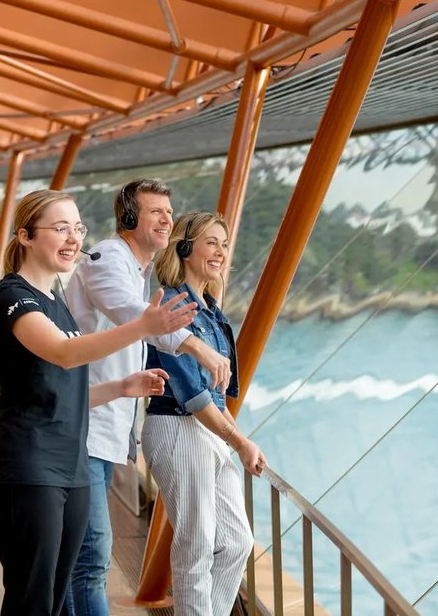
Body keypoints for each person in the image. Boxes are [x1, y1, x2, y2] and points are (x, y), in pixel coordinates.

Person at [0, 189, 196, 616]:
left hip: (73, 468)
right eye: (60, 228)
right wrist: (142, 326)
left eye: (78, 228)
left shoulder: (57, 301)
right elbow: (63, 354)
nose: (73, 238)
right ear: (25, 236)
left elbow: (62, 389)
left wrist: (120, 387)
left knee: (60, 599)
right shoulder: (13, 297)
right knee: (33, 600)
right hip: (29, 468)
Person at [65, 179, 232, 616]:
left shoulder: (135, 272)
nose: (165, 219)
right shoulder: (106, 259)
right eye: (155, 211)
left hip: (105, 428)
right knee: (91, 560)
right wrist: (197, 345)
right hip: (86, 428)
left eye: (167, 212)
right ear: (130, 218)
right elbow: (135, 317)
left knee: (83, 559)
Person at [141, 212, 266, 616]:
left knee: (236, 542)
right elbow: (193, 396)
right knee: (197, 543)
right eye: (211, 242)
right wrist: (240, 441)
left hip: (209, 433)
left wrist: (234, 437)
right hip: (177, 427)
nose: (220, 252)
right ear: (184, 247)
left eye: (225, 244)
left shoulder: (212, 311)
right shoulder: (173, 306)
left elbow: (218, 396)